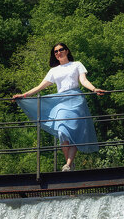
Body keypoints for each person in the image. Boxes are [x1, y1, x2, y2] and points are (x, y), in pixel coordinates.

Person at [13, 42, 106, 172]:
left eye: (61, 50)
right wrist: (24, 95)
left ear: (67, 51)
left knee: (75, 133)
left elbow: (83, 81)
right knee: (62, 132)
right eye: (55, 51)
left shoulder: (76, 64)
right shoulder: (54, 70)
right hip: (61, 101)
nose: (58, 53)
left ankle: (68, 164)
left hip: (76, 101)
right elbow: (40, 87)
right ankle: (69, 164)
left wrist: (94, 89)